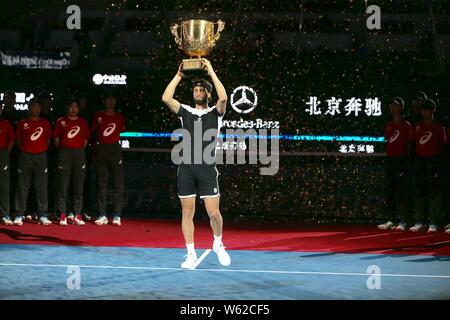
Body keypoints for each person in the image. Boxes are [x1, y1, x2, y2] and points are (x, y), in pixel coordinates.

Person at [162, 58, 231, 269]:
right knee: (187, 212)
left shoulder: (216, 113)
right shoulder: (185, 111)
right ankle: (190, 254)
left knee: (213, 213)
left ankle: (218, 243)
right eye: (196, 89)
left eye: (202, 90)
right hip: (186, 168)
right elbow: (166, 97)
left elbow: (224, 97)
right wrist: (179, 76)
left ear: (207, 94)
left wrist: (210, 71)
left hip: (207, 168)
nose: (198, 92)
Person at [13, 98, 52, 226]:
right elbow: (18, 141)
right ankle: (19, 214)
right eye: (34, 106)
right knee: (23, 186)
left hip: (41, 156)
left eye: (38, 107)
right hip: (25, 156)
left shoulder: (45, 123)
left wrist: (39, 150)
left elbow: (48, 140)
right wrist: (27, 150)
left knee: (41, 186)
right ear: (29, 108)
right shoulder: (22, 123)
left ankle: (42, 214)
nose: (36, 109)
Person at [409, 99, 447, 232]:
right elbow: (413, 145)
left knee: (434, 193)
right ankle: (420, 221)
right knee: (419, 192)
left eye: (426, 109)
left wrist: (438, 165)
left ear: (432, 111)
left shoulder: (439, 127)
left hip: (434, 162)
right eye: (422, 109)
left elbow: (443, 147)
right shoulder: (417, 126)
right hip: (420, 162)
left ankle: (434, 222)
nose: (423, 112)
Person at [54, 97, 90, 226]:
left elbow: (85, 140)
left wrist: (77, 150)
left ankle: (77, 215)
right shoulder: (61, 121)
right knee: (63, 186)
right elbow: (56, 140)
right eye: (71, 106)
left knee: (78, 186)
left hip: (79, 154)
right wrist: (65, 150)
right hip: (65, 153)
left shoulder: (83, 122)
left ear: (78, 109)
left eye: (76, 106)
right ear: (67, 108)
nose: (73, 108)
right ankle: (63, 215)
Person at [378, 97, 412, 231]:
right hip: (390, 161)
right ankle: (391, 220)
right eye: (391, 105)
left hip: (402, 161)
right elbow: (389, 142)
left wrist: (405, 161)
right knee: (390, 191)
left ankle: (403, 220)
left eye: (396, 105)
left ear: (401, 108)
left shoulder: (406, 125)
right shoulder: (388, 125)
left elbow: (409, 145)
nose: (393, 108)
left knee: (402, 191)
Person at [92, 91, 125, 226]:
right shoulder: (98, 116)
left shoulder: (120, 117)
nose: (110, 102)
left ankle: (117, 215)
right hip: (101, 150)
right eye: (108, 99)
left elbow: (122, 129)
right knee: (101, 184)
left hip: (115, 150)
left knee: (118, 184)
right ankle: (102, 215)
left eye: (113, 99)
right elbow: (95, 132)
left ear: (115, 101)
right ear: (104, 101)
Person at [0, 105, 15, 225]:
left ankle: (5, 214)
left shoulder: (6, 124)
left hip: (2, 154)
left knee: (4, 187)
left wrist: (6, 152)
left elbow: (12, 139)